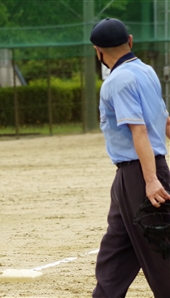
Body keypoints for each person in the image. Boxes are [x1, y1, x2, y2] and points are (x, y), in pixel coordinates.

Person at [90, 17, 170, 298]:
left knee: (162, 254)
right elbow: (165, 122)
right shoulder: (146, 71)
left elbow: (139, 130)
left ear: (98, 51)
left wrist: (150, 180)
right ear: (130, 41)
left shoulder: (117, 81)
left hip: (141, 173)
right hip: (130, 175)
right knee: (116, 249)